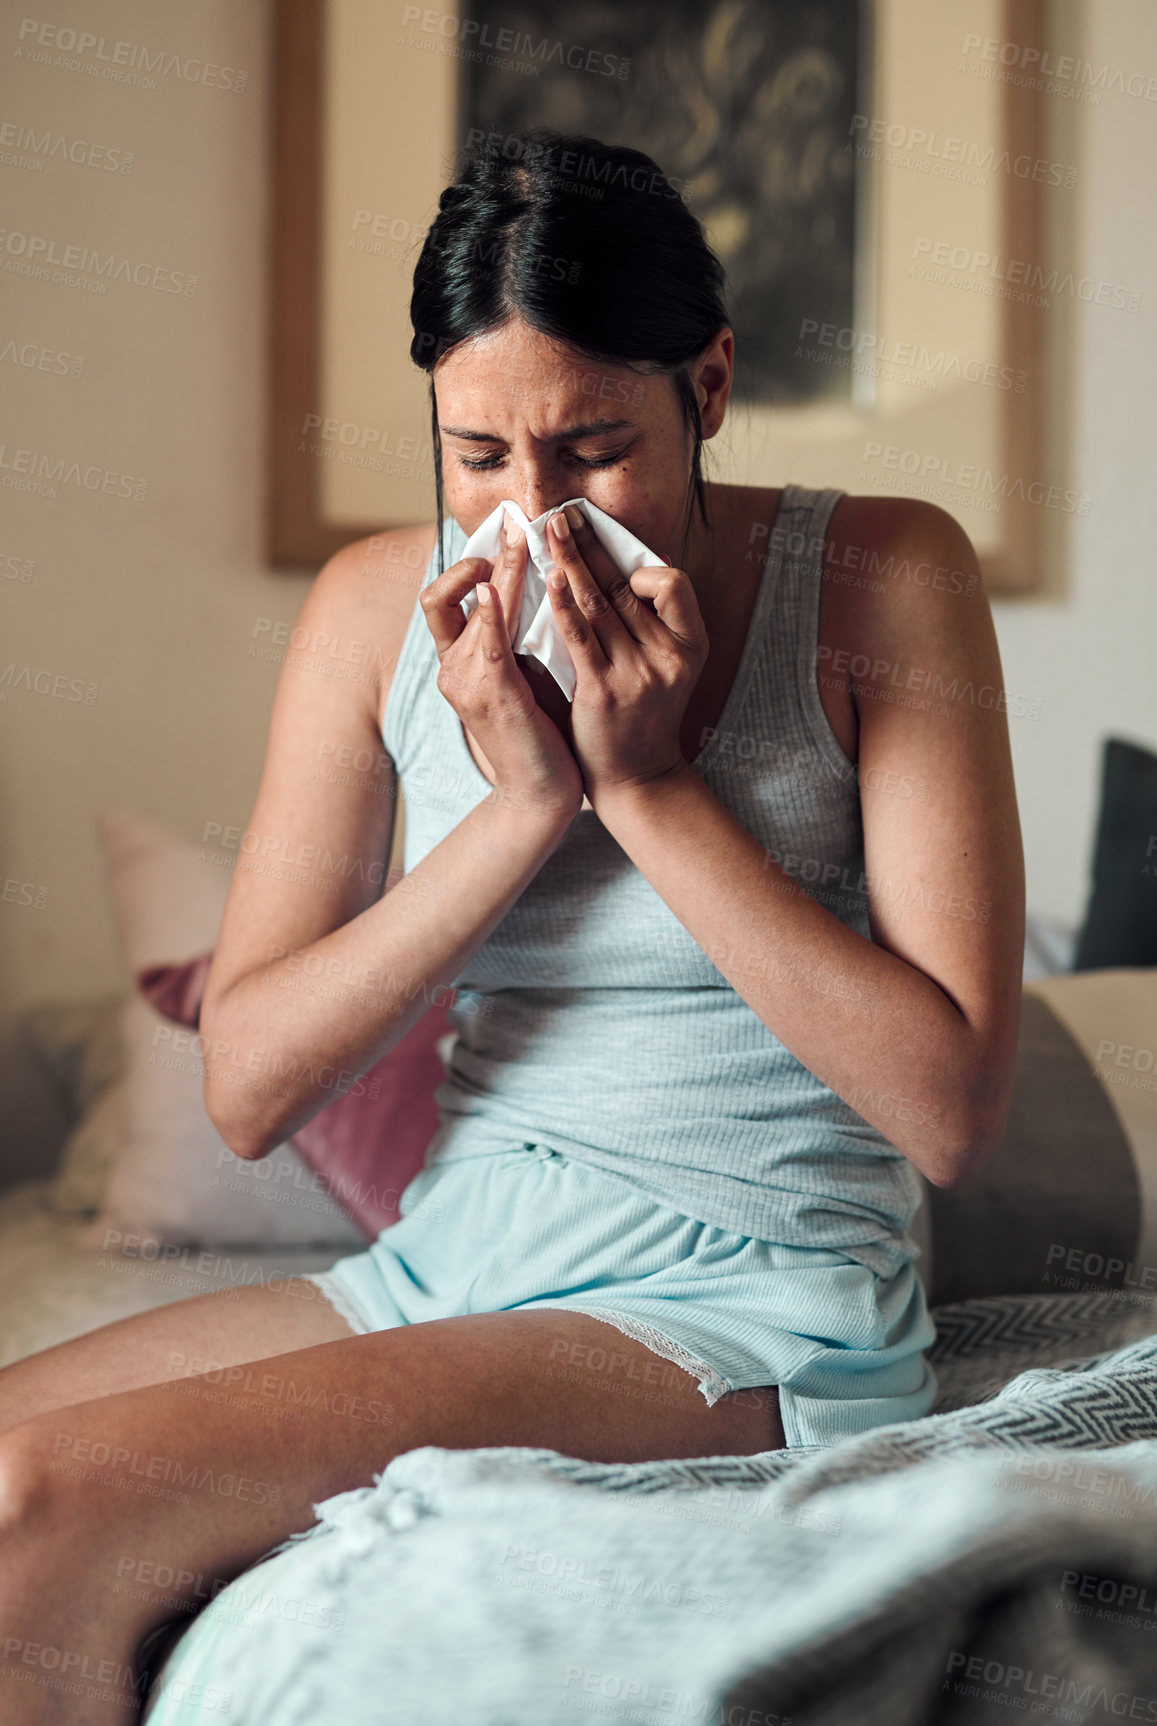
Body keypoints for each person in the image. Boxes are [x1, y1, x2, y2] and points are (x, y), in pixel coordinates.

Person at [0, 130, 1024, 1719]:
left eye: (593, 448)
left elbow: (947, 1108)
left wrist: (643, 787)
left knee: (41, 1504)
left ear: (712, 384)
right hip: (447, 1260)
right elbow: (249, 1090)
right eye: (476, 456)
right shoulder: (366, 612)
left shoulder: (881, 576)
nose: (533, 516)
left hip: (743, 1293)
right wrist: (520, 809)